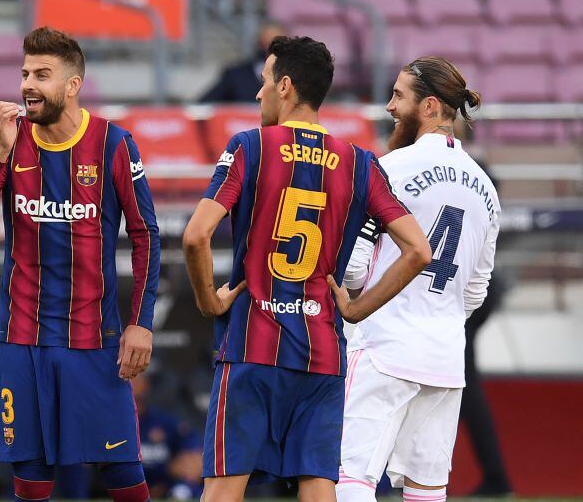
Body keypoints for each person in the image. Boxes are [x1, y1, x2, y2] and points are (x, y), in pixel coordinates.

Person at [182, 36, 432, 501]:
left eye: (264, 83)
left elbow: (196, 234)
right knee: (318, 485)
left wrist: (207, 299)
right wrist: (356, 309)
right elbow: (418, 250)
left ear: (287, 87)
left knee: (224, 487)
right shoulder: (360, 163)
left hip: (252, 347)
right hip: (321, 350)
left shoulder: (249, 147)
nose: (258, 94)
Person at [0, 26, 161, 502]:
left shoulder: (113, 144)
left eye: (42, 75)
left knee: (121, 470)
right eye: (25, 72)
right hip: (23, 338)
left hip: (93, 338)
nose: (28, 84)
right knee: (30, 473)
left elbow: (146, 235)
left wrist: (141, 324)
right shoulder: (10, 139)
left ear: (72, 84)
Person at [336, 56, 499, 502]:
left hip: (383, 346)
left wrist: (354, 307)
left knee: (349, 478)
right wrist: (437, 314)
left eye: (398, 96)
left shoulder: (390, 168)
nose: (389, 106)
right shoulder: (486, 187)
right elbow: (475, 291)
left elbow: (353, 263)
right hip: (445, 357)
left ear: (428, 106)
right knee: (427, 490)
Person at [199, 21, 288, 103]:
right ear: (259, 44)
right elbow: (201, 106)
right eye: (267, 45)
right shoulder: (235, 77)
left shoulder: (295, 78)